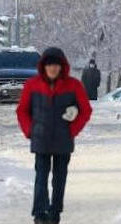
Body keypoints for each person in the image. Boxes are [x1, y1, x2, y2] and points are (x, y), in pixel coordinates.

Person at [16, 47, 93, 224]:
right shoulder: (32, 85)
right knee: (41, 177)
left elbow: (85, 110)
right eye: (49, 65)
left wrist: (72, 130)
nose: (52, 69)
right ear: (44, 66)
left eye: (56, 65)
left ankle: (55, 212)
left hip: (63, 140)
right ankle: (39, 213)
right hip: (41, 139)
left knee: (59, 178)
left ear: (61, 67)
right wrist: (29, 130)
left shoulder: (73, 85)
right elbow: (22, 111)